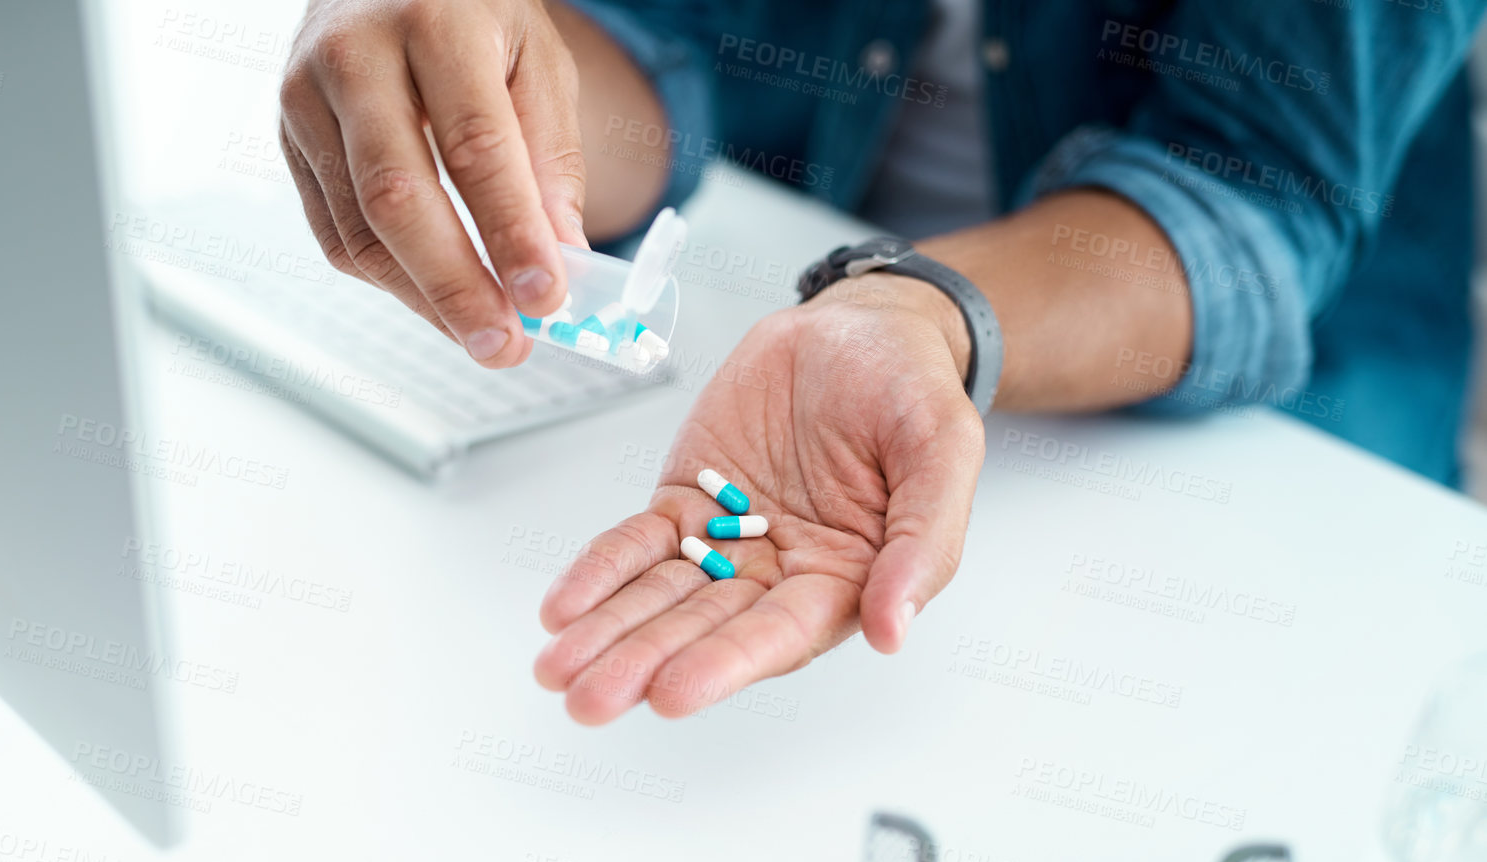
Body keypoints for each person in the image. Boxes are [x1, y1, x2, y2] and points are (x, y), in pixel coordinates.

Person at [279, 0, 1484, 724]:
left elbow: (1239, 206)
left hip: (1271, 443)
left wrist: (915, 312)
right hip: (774, 268)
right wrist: (472, 69)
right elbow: (650, 54)